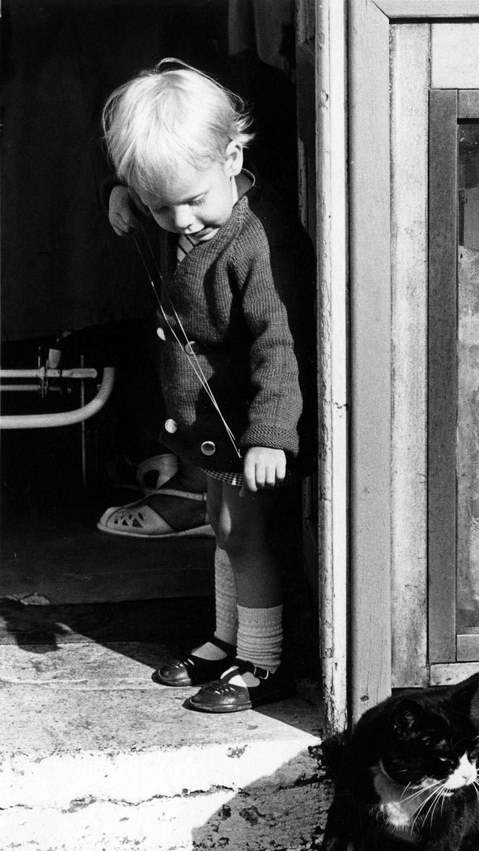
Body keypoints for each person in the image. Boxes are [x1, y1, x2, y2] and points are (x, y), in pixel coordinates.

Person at [101, 58, 314, 712]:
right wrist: (125, 196)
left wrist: (272, 436)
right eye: (161, 206)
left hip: (249, 427)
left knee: (246, 536)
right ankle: (226, 640)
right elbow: (161, 193)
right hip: (214, 428)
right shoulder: (193, 206)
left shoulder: (257, 240)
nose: (182, 221)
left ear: (231, 156)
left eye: (191, 201)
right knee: (223, 530)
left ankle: (264, 660)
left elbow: (281, 342)